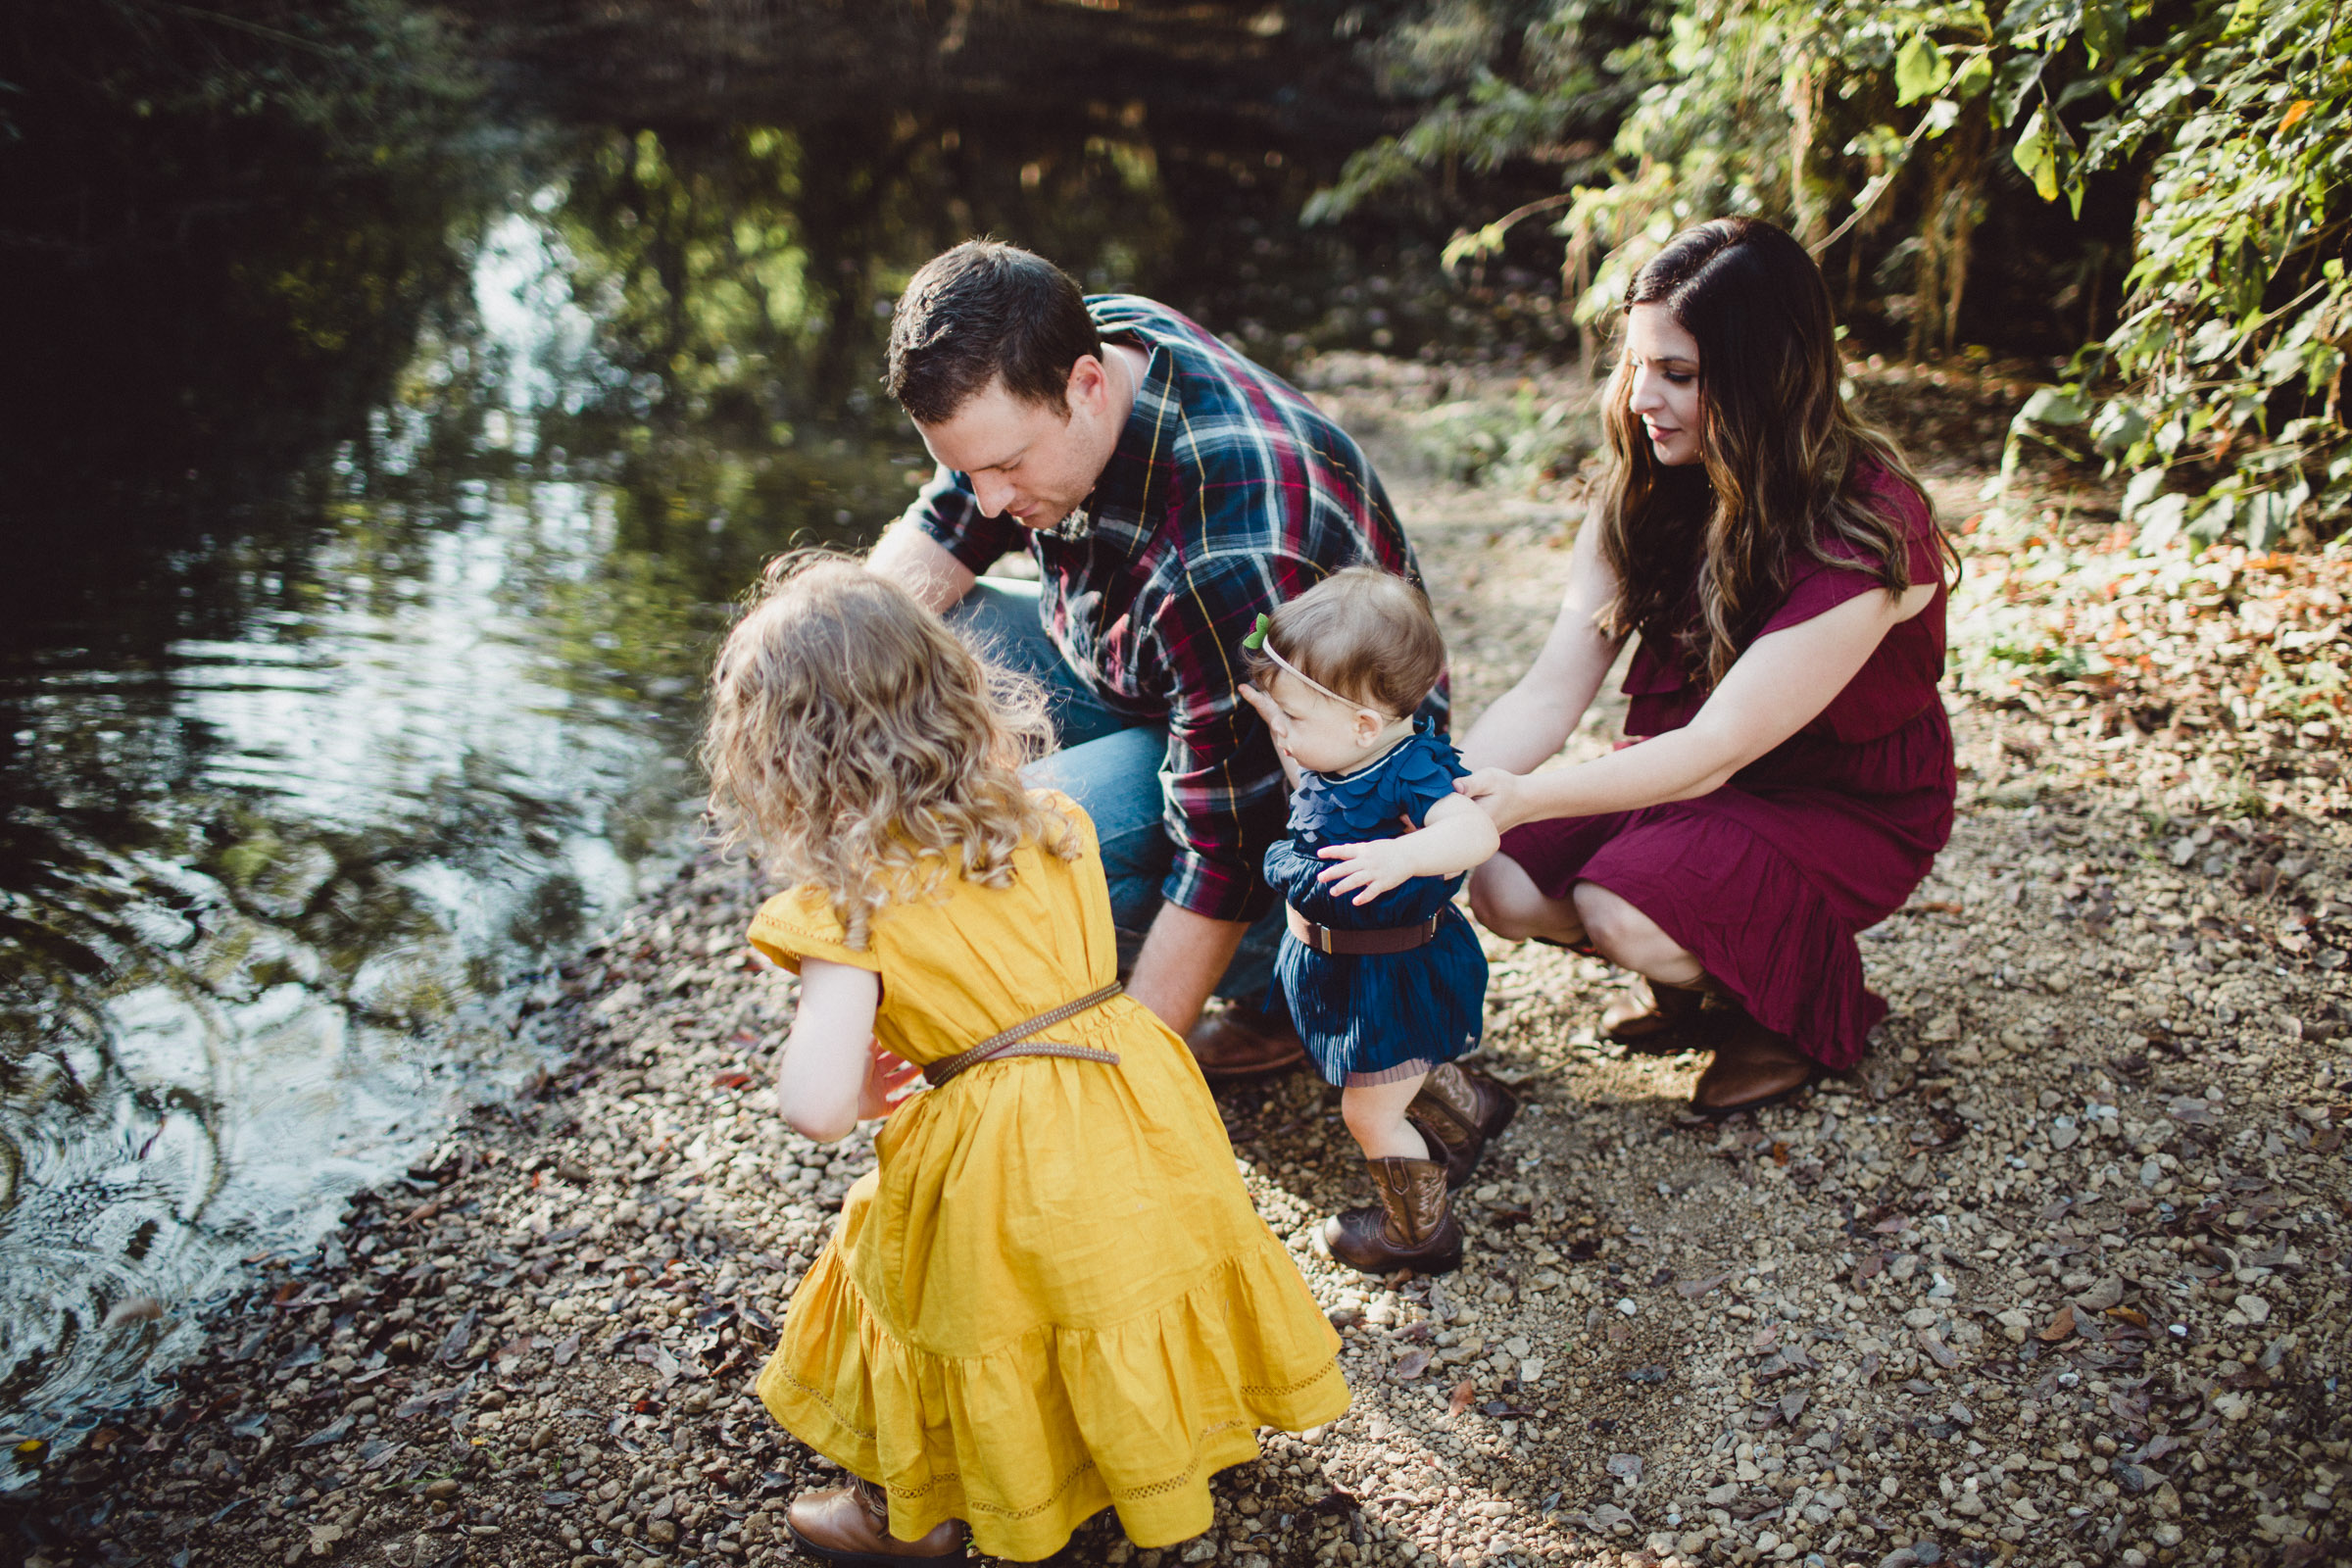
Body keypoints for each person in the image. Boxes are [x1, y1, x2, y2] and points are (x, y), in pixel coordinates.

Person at [704, 557, 1348, 1563]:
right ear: (954, 690)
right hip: (1129, 1090)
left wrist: (870, 1084)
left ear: (787, 758)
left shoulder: (850, 907)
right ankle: (1152, 1437)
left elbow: (818, 1106)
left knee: (936, 1302)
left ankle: (914, 1510)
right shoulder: (1056, 823)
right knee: (1122, 1276)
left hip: (997, 1151)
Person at [862, 237, 1434, 1089]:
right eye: (962, 468)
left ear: (1087, 387)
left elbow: (1231, 851)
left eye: (1008, 466)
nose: (987, 499)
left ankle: (1288, 995)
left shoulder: (1226, 554)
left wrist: (1129, 1093)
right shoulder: (1080, 346)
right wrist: (822, 676)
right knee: (897, 645)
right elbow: (951, 528)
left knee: (1008, 838)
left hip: (1318, 832)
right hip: (1160, 679)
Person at [1454, 217, 1958, 1116]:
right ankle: (1707, 964)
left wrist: (1525, 798)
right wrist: (1438, 795)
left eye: (1679, 375)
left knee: (1617, 907)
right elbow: (1550, 688)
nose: (1643, 397)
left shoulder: (1868, 527)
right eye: (1639, 365)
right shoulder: (1647, 489)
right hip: (1690, 778)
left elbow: (1722, 744)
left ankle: (1790, 1009)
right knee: (1499, 880)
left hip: (1835, 800)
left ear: (1767, 378)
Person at [1237, 567, 1509, 1276]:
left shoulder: (1412, 772)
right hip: (1342, 967)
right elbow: (1318, 788)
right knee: (1398, 1067)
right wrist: (1281, 716)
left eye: (1295, 719)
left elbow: (1475, 834)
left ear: (1363, 724)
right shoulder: (1344, 751)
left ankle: (1418, 1233)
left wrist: (1406, 855)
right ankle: (1470, 1111)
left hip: (1391, 969)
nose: (1285, 733)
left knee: (1369, 1112)